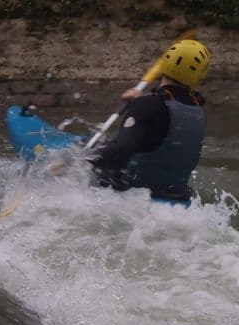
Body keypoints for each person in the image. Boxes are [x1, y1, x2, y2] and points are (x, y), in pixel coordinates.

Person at [89, 39, 211, 203]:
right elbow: (166, 119)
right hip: (178, 199)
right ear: (200, 75)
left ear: (165, 63)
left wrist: (78, 160)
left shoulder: (148, 105)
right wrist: (141, 103)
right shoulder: (198, 111)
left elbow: (120, 149)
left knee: (98, 163)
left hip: (135, 199)